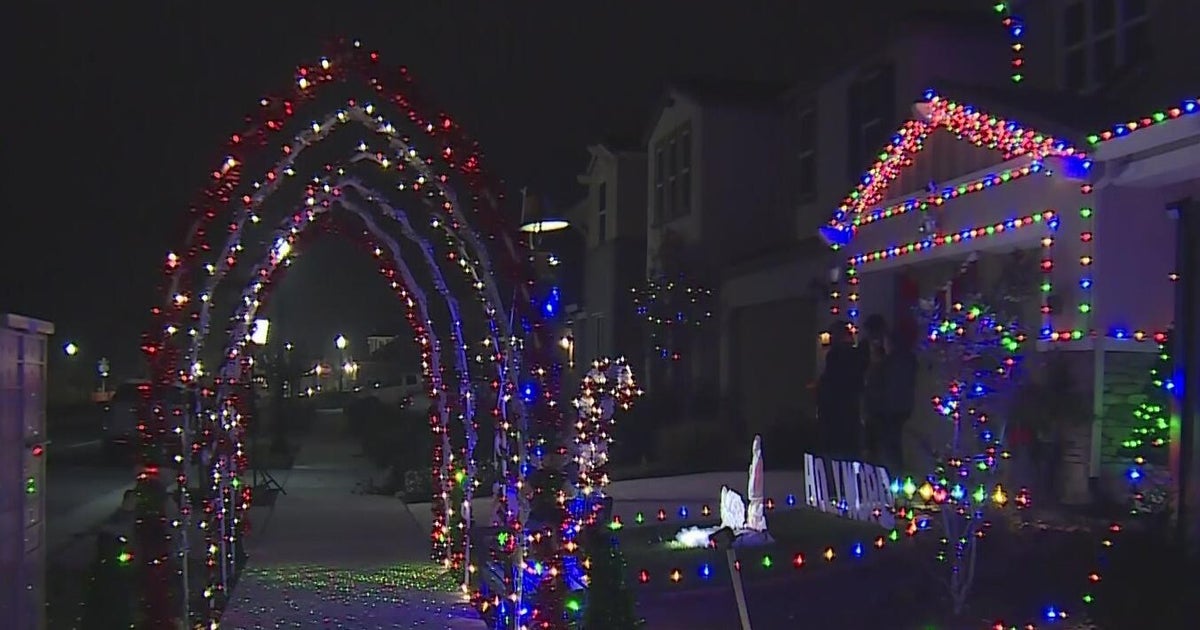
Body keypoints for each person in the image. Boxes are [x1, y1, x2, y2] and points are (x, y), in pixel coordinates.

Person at [862, 315, 917, 474]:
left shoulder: (892, 361)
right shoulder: (900, 359)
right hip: (891, 410)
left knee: (888, 450)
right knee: (889, 449)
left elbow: (881, 386)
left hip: (887, 411)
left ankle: (892, 482)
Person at [816, 321, 867, 460]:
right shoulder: (855, 355)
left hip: (837, 407)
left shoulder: (836, 355)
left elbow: (832, 380)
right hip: (849, 406)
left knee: (838, 446)